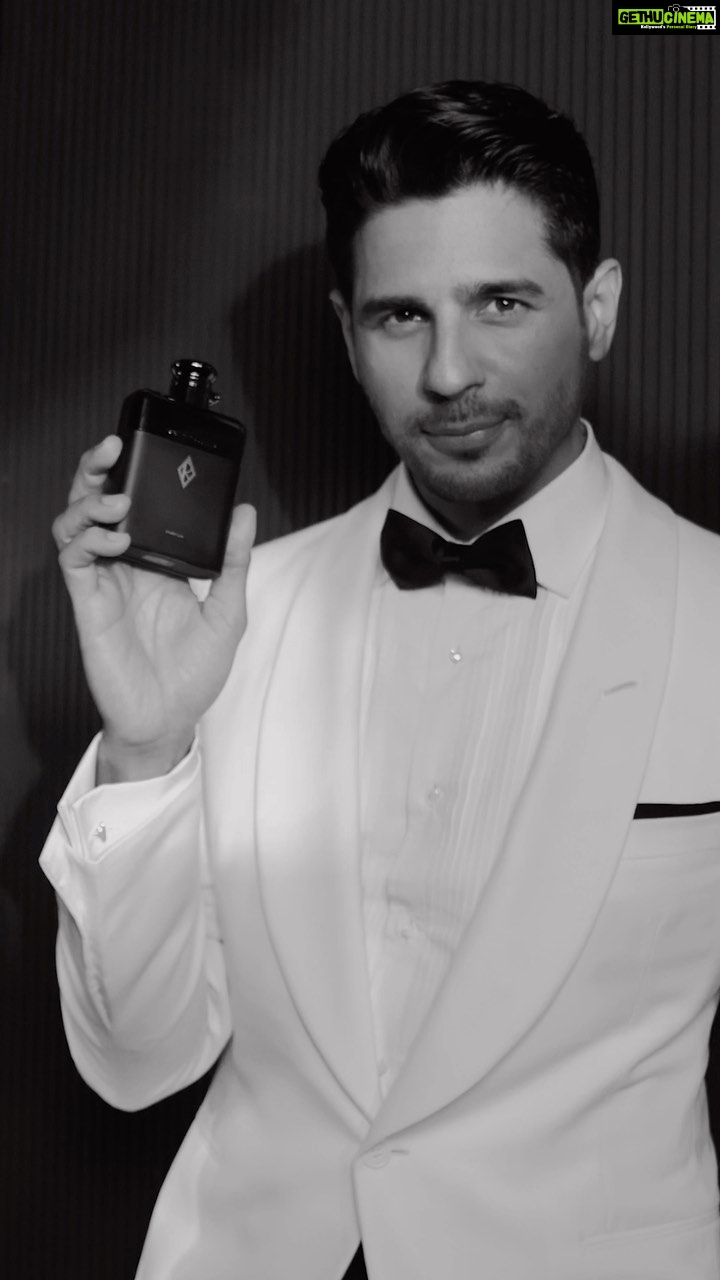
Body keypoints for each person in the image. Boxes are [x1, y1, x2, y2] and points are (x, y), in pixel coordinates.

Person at [41, 80, 720, 1280]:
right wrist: (147, 744)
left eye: (501, 301)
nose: (450, 371)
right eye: (402, 316)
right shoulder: (238, 620)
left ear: (598, 307)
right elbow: (135, 1057)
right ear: (348, 335)